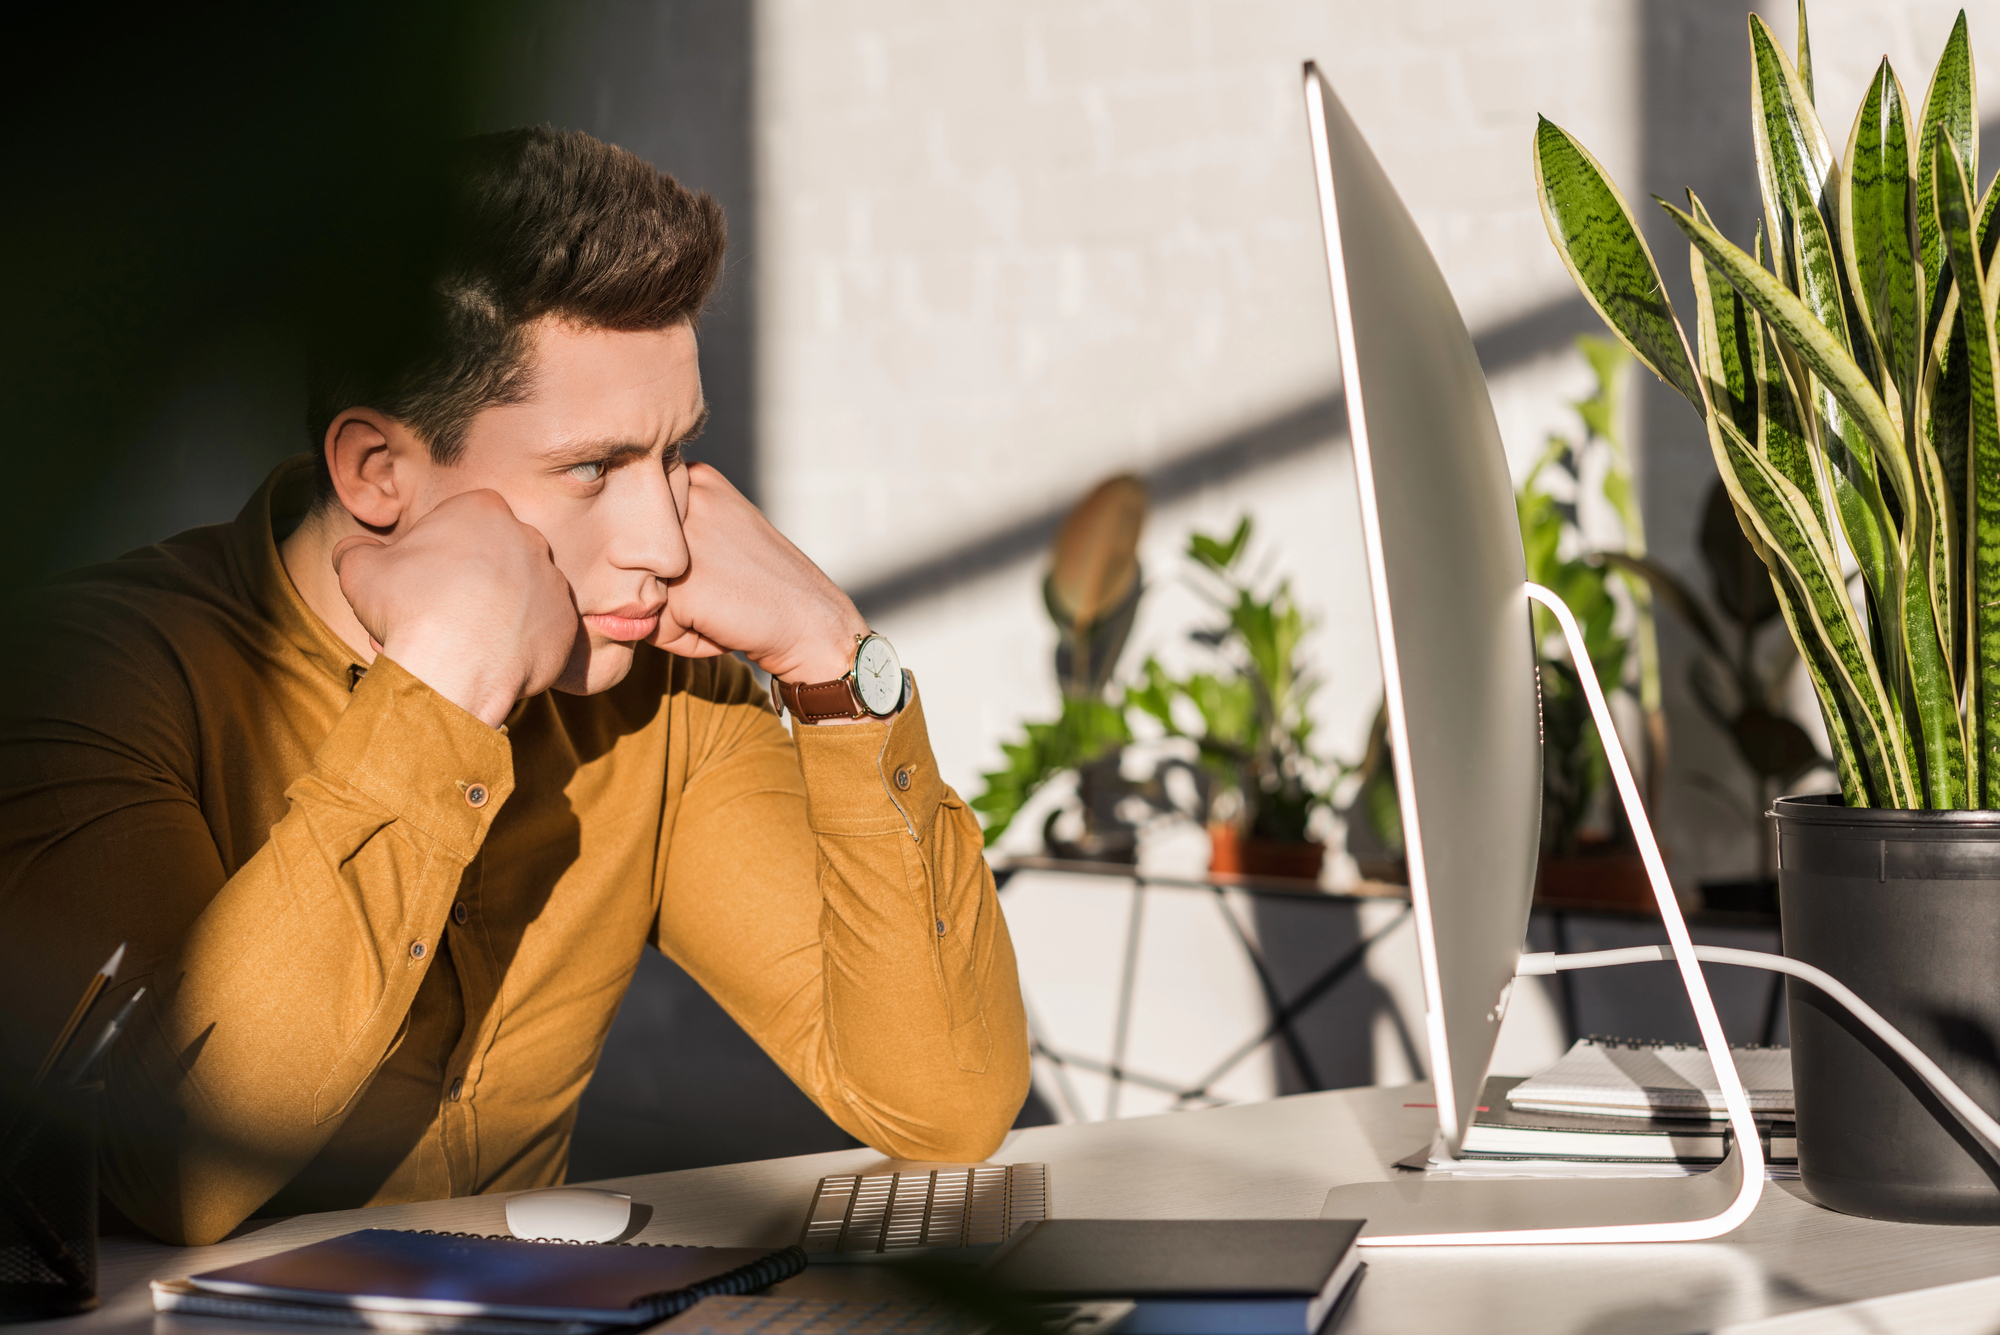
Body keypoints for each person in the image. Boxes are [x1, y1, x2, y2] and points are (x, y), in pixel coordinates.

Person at [0, 127, 1029, 1246]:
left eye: (673, 454)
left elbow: (946, 1105)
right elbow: (164, 1173)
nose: (665, 543)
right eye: (591, 468)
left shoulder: (654, 694)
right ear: (376, 472)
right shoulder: (94, 678)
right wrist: (437, 694)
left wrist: (836, 664)